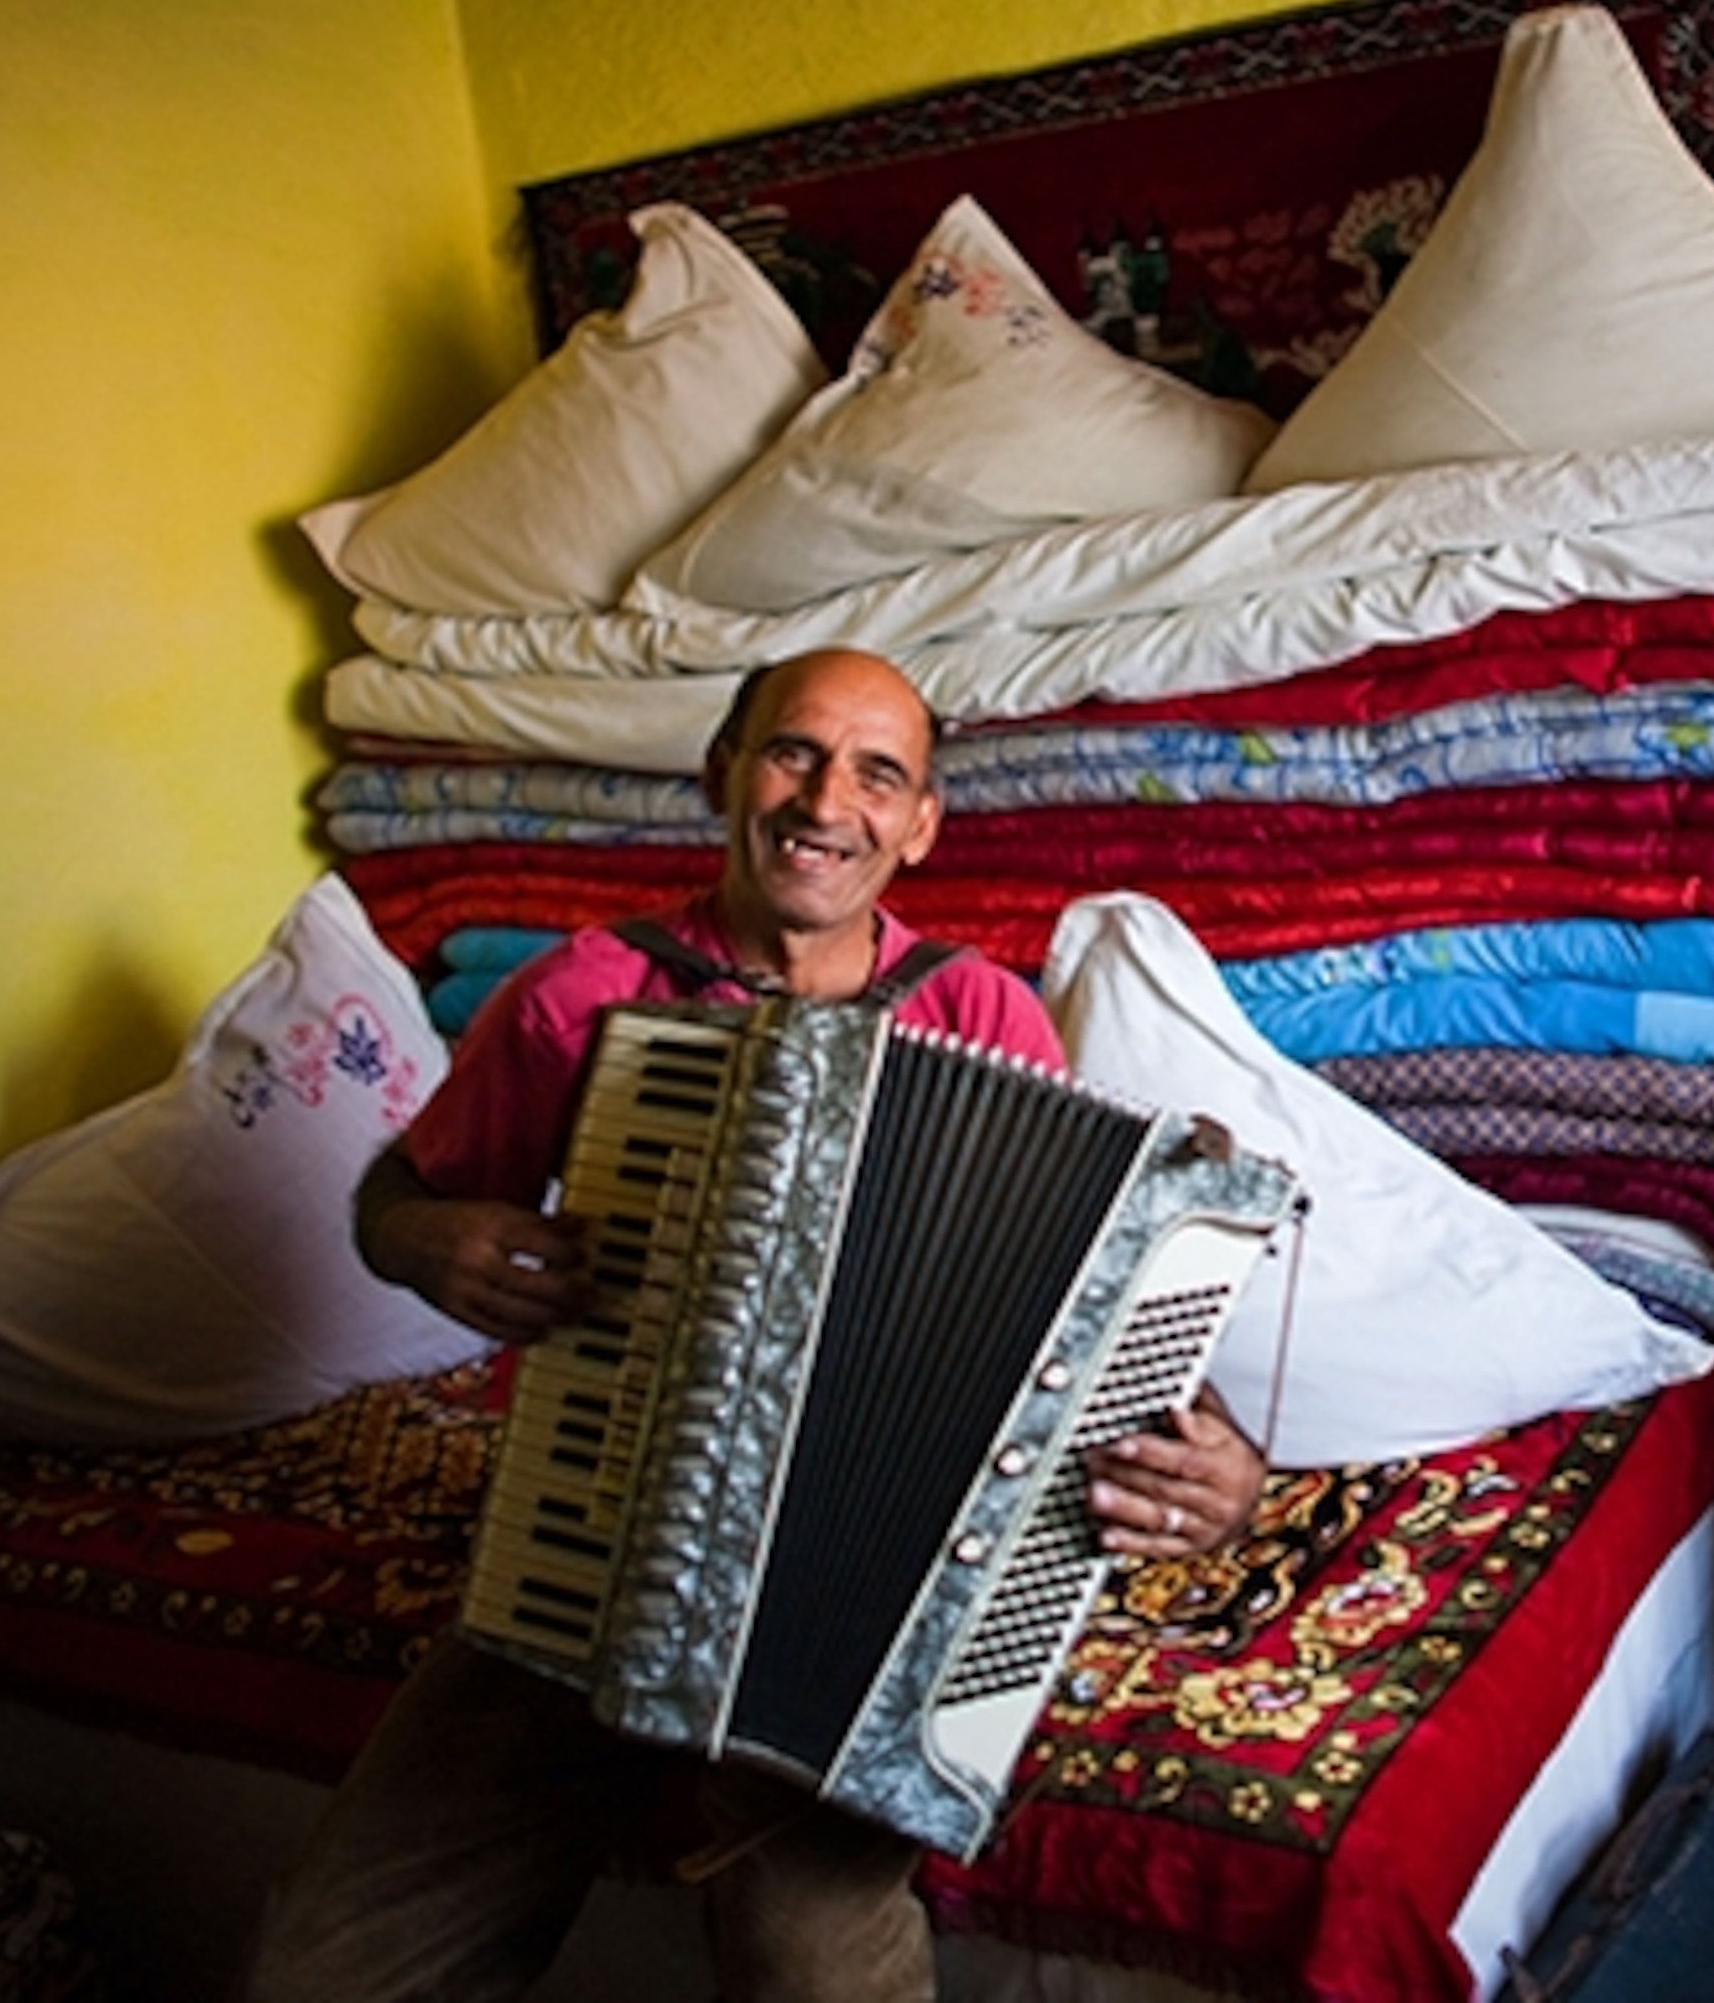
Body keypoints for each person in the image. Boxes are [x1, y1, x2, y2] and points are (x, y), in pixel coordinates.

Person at [240, 647, 1267, 2003]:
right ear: (725, 775)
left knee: (812, 1960)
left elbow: (1067, 1304)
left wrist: (1224, 1466)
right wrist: (428, 1238)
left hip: (854, 1606)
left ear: (917, 826)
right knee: (326, 1972)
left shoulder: (979, 1012)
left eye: (877, 773)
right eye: (793, 752)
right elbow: (401, 1197)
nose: (824, 798)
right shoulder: (581, 994)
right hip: (588, 1553)